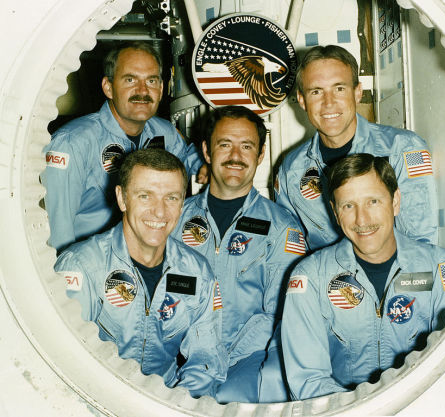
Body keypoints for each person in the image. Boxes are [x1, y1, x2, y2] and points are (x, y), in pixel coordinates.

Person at [281, 153, 445, 400]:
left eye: (373, 202)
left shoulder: (443, 268)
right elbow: (308, 381)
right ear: (335, 214)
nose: (362, 219)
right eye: (348, 206)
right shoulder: (310, 278)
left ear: (395, 201)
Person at [54, 149, 226, 398]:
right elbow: (67, 364)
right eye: (145, 196)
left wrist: (177, 405)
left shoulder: (197, 273)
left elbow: (206, 360)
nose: (159, 211)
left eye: (172, 198)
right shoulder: (81, 267)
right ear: (122, 198)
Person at [172, 105, 306, 403]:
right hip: (179, 361)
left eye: (247, 146)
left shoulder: (282, 229)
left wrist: (225, 360)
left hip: (245, 365)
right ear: (206, 151)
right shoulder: (174, 218)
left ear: (260, 155)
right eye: (225, 144)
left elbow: (281, 314)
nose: (235, 156)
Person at [42, 41, 207, 252]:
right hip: (93, 262)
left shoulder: (165, 132)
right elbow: (59, 233)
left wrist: (204, 166)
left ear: (161, 88)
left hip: (149, 255)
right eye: (130, 80)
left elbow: (189, 159)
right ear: (108, 87)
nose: (142, 90)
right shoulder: (73, 142)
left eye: (151, 80)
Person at [275, 44, 438, 251]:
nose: (328, 103)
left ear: (358, 92)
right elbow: (290, 249)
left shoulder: (402, 149)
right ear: (302, 100)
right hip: (325, 280)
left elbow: (420, 243)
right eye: (316, 92)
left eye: (339, 89)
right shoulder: (292, 168)